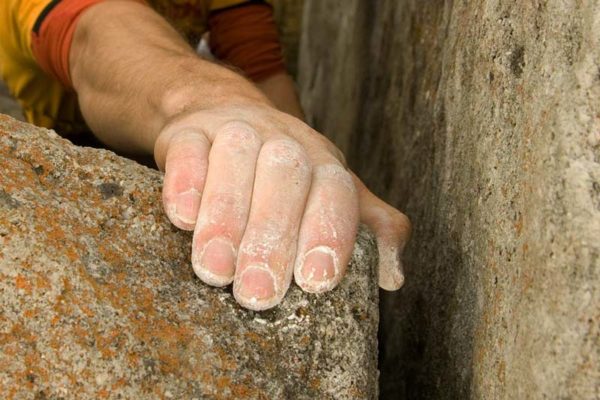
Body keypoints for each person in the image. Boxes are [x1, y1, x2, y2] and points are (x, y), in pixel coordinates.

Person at [0, 0, 411, 311]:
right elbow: (94, 31)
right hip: (81, 149)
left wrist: (303, 154)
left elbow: (259, 60)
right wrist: (207, 99)